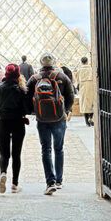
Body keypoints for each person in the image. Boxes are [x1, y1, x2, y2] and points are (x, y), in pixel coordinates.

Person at [27, 52, 74, 195]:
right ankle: (59, 180)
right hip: (59, 118)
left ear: (41, 63)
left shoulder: (34, 79)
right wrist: (65, 110)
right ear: (53, 62)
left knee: (45, 149)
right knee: (58, 148)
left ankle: (50, 181)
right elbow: (70, 95)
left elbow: (26, 97)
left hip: (42, 119)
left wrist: (35, 111)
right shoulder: (61, 77)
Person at [0, 63, 31, 194]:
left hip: (3, 122)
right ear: (18, 74)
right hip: (18, 122)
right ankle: (14, 184)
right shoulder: (21, 90)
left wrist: (0, 109)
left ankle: (3, 173)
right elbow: (28, 109)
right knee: (16, 154)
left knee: (4, 153)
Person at [75, 56, 95, 127]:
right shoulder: (91, 69)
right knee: (92, 104)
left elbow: (76, 81)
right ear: (87, 61)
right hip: (91, 88)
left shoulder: (79, 70)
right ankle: (91, 119)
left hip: (83, 89)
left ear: (81, 62)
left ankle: (86, 122)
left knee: (84, 105)